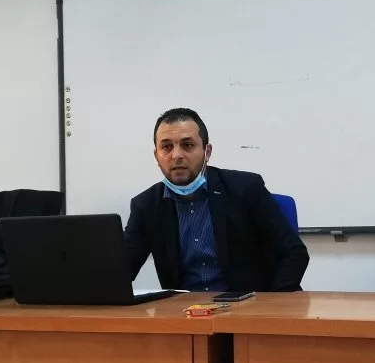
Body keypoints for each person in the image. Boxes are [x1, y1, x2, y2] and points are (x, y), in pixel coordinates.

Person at [123, 107, 309, 292]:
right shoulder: (146, 206)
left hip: (248, 304)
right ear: (156, 156)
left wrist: (271, 303)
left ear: (207, 152)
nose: (176, 155)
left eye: (188, 145)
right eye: (166, 147)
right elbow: (122, 270)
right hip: (184, 308)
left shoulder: (245, 188)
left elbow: (294, 253)